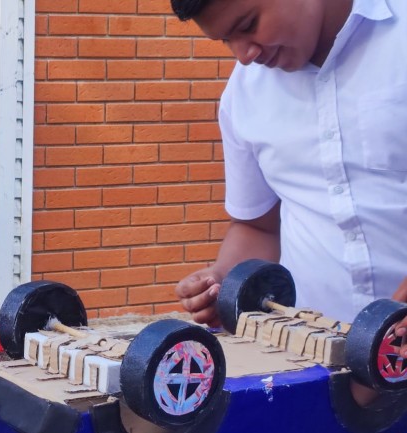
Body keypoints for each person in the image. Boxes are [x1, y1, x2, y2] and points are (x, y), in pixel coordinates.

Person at [171, 0, 407, 355]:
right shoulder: (243, 95)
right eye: (226, 40)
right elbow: (259, 227)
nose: (244, 55)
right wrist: (225, 280)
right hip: (318, 360)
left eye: (248, 25)